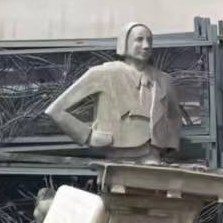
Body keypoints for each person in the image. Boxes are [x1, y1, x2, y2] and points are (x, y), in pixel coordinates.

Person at [44, 22, 184, 160]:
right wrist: (88, 136)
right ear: (125, 43)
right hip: (116, 152)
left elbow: (174, 117)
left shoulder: (164, 80)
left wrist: (170, 144)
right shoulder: (103, 73)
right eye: (139, 40)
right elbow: (56, 110)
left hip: (152, 154)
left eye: (149, 40)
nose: (146, 46)